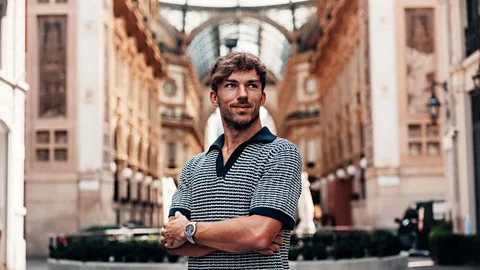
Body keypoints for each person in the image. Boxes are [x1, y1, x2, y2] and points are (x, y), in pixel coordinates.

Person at [161, 52, 302, 269]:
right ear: (214, 98)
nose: (242, 94)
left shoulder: (281, 153)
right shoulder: (193, 166)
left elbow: (258, 235)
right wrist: (243, 239)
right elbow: (173, 242)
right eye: (231, 86)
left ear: (262, 98)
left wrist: (190, 231)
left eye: (252, 86)